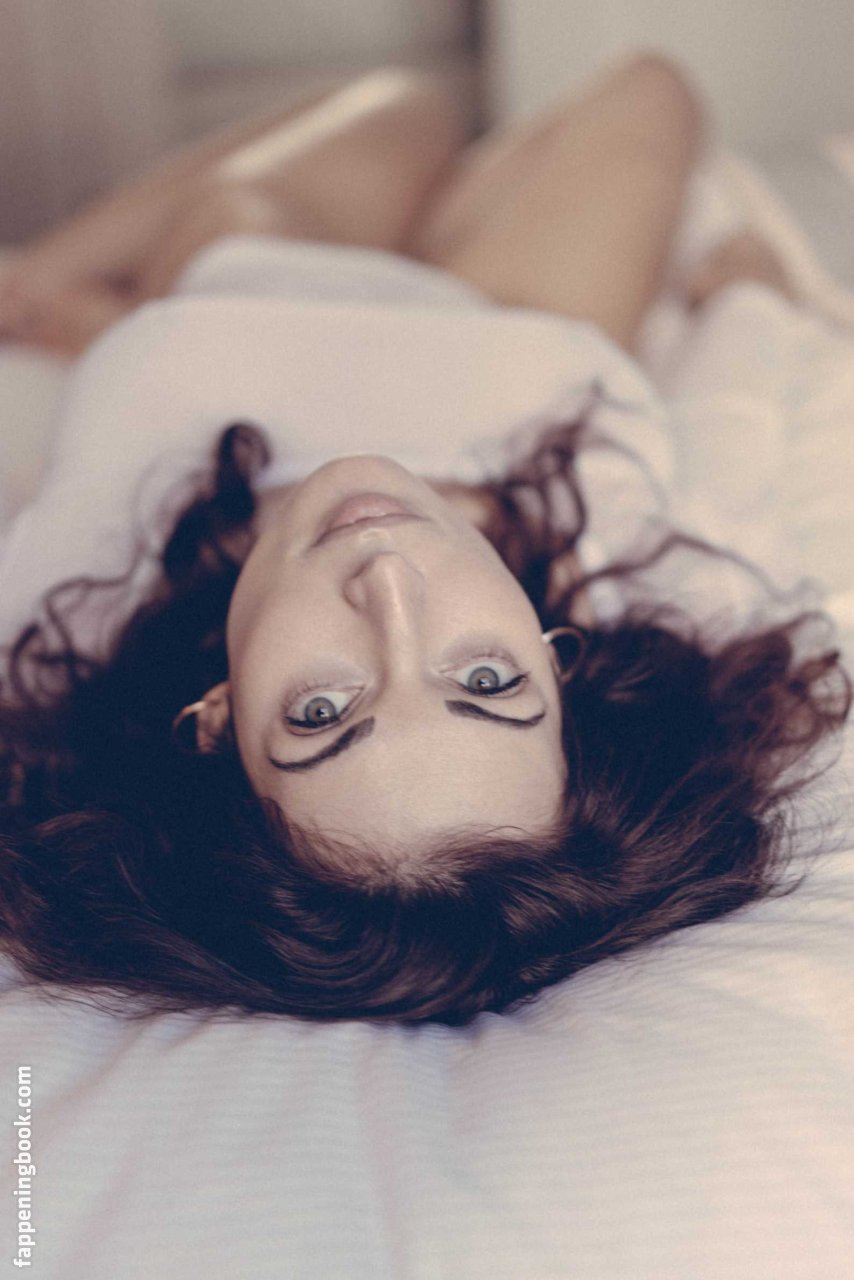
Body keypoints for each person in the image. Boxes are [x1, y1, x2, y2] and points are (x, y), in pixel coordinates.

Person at [0, 55, 848, 1025]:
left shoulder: (71, 585)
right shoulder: (627, 555)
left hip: (242, 302)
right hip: (504, 337)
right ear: (553, 664)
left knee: (369, 126)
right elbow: (731, 427)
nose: (388, 583)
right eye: (485, 679)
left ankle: (35, 284)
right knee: (648, 88)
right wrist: (751, 295)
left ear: (219, 723)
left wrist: (76, 311)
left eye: (320, 709)